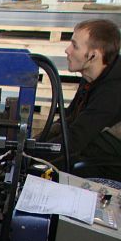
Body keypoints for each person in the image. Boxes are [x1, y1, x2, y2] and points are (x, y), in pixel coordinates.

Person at [42, 19, 121, 180]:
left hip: (113, 164)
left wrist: (32, 158)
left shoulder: (113, 90)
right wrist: (37, 141)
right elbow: (69, 118)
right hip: (93, 140)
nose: (67, 50)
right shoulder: (91, 75)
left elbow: (77, 139)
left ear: (93, 56)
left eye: (75, 46)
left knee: (72, 164)